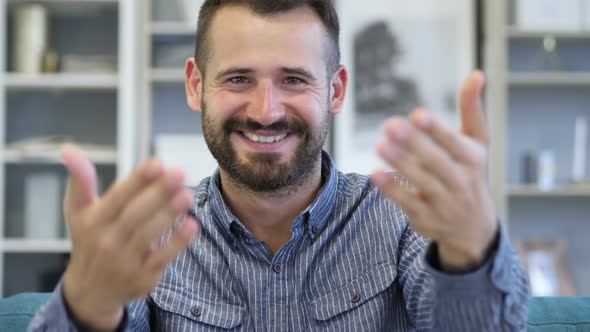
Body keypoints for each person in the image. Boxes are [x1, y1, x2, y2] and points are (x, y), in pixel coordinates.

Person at [28, 0, 528, 331]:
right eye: (239, 79)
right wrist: (85, 307)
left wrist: (471, 256)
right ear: (195, 85)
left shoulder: (404, 215)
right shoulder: (155, 229)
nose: (266, 110)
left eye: (293, 79)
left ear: (334, 89)